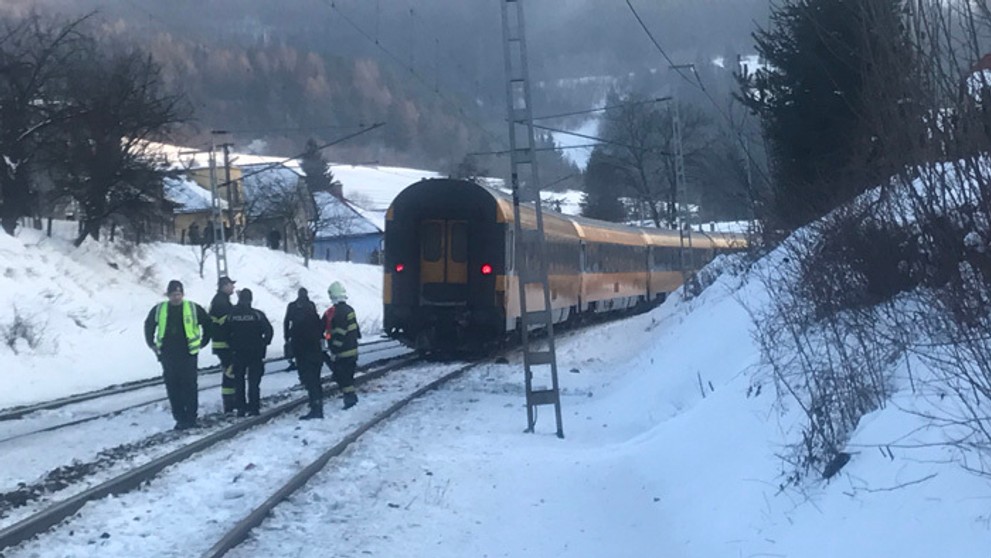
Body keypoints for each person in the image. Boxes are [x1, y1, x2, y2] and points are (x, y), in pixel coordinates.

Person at [144, 280, 211, 430]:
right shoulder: (159, 309)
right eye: (173, 294)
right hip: (168, 354)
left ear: (183, 294)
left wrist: (204, 341)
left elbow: (207, 323)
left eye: (178, 294)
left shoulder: (193, 308)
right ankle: (180, 418)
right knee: (173, 387)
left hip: (188, 353)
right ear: (168, 295)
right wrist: (151, 344)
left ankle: (191, 417)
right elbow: (149, 325)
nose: (176, 297)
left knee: (189, 386)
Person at [228, 288, 274, 416]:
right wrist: (264, 343)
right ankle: (254, 408)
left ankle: (241, 408)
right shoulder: (257, 315)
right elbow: (269, 331)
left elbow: (225, 332)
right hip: (255, 353)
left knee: (239, 382)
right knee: (254, 382)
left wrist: (232, 345)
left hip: (238, 353)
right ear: (251, 299)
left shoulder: (232, 315)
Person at [323, 281, 361, 409]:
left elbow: (339, 332)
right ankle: (350, 397)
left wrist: (334, 349)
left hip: (342, 352)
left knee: (343, 377)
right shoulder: (350, 310)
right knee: (348, 376)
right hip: (353, 350)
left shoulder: (335, 313)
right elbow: (356, 331)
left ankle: (350, 399)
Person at [293, 303, 327, 420]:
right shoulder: (317, 320)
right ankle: (318, 405)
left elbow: (295, 339)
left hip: (305, 357)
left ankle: (315, 408)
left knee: (311, 383)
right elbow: (322, 335)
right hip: (316, 356)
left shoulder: (299, 322)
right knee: (316, 382)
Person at [209, 276, 236, 413]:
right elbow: (227, 324)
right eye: (231, 285)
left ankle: (231, 401)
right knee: (230, 372)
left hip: (222, 344)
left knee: (229, 372)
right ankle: (230, 403)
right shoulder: (221, 302)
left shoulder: (221, 300)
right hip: (224, 344)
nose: (233, 288)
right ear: (224, 286)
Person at [283, 288, 317, 371]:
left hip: (298, 336)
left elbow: (286, 321)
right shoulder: (310, 305)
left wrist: (287, 336)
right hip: (308, 336)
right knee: (307, 357)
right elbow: (316, 321)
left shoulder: (293, 306)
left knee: (301, 357)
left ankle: (303, 373)